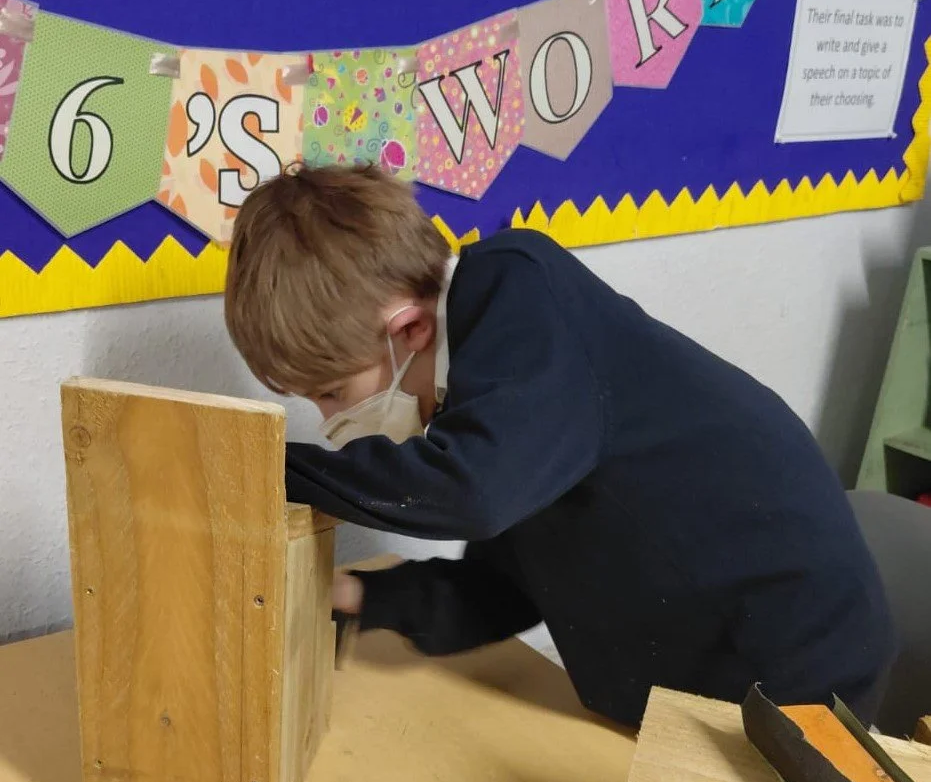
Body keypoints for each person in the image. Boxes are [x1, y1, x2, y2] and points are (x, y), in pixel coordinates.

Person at [224, 161, 895, 727]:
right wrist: (360, 598)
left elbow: (472, 493)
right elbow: (507, 586)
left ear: (409, 331)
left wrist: (257, 466)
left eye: (334, 393)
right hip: (694, 673)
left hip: (795, 668)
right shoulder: (502, 409)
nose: (331, 421)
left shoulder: (519, 294)